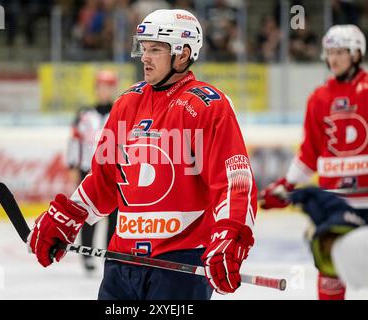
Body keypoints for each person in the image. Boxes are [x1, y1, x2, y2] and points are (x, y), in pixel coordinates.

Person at [27, 9, 257, 300]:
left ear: (183, 54)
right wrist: (69, 216)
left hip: (179, 265)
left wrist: (230, 236)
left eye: (156, 49)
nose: (144, 57)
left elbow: (234, 182)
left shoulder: (208, 106)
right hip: (121, 263)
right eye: (144, 48)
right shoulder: (126, 102)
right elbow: (104, 178)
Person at [260, 25, 368, 300]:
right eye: (330, 52)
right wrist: (286, 185)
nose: (334, 58)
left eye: (341, 52)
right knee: (330, 276)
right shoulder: (318, 98)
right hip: (337, 205)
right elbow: (310, 153)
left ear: (357, 54)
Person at [66, 69, 119, 272]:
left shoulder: (119, 111)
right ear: (96, 88)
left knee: (114, 217)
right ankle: (87, 254)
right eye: (101, 86)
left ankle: (110, 253)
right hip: (88, 170)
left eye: (108, 86)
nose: (104, 90)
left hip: (113, 171)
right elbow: (75, 141)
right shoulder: (84, 114)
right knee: (87, 214)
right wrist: (72, 166)